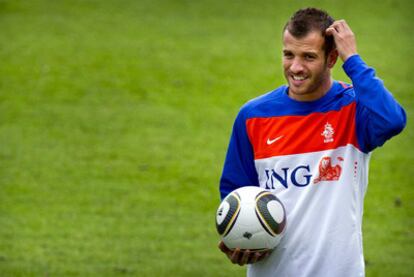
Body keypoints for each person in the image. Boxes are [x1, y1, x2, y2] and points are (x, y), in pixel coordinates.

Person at [218, 7, 406, 277]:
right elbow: (236, 193)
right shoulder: (253, 116)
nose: (295, 67)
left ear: (331, 59)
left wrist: (352, 58)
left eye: (308, 57)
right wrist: (238, 239)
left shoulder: (353, 109)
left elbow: (392, 120)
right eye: (288, 55)